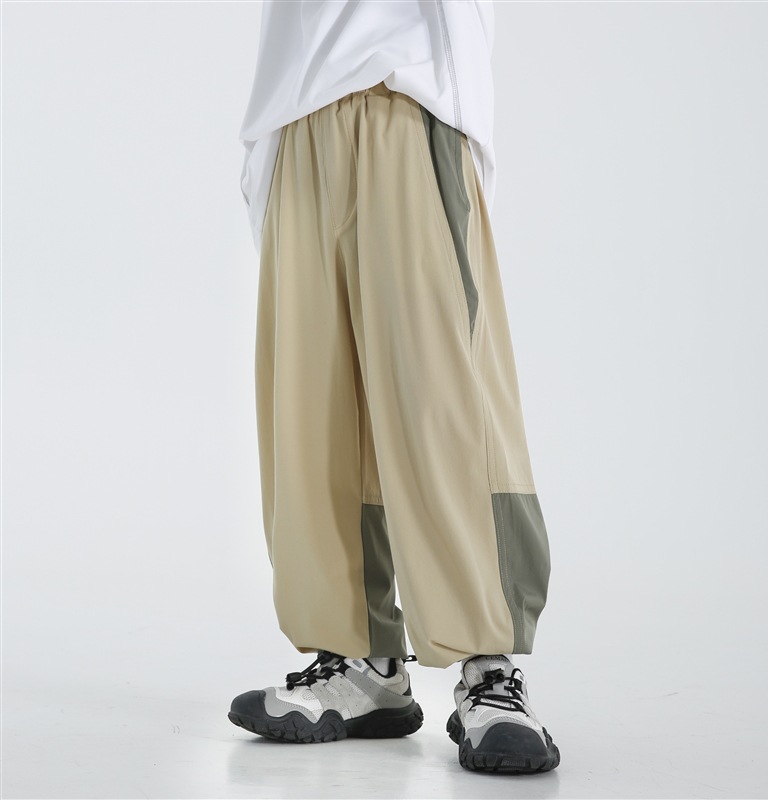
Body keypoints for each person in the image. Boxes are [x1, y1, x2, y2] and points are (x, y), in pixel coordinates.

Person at [228, 0, 560, 775]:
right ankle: (359, 660)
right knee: (312, 413)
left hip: (410, 98)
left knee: (442, 402)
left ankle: (488, 666)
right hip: (298, 110)